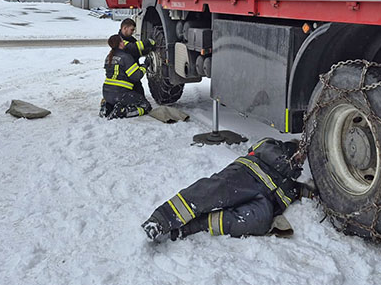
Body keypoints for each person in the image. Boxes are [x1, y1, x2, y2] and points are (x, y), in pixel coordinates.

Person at [141, 138, 305, 242]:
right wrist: (287, 161)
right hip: (246, 175)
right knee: (210, 193)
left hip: (264, 199)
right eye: (300, 154)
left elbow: (301, 192)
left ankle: (190, 228)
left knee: (259, 222)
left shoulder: (292, 180)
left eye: (302, 159)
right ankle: (161, 220)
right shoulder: (271, 145)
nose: (300, 159)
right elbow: (258, 148)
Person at [100, 34, 152, 119]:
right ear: (120, 44)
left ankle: (107, 107)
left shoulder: (108, 57)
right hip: (121, 94)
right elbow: (136, 76)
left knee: (116, 100)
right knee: (146, 106)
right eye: (122, 41)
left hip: (106, 94)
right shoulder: (126, 57)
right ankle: (121, 112)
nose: (124, 42)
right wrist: (145, 65)